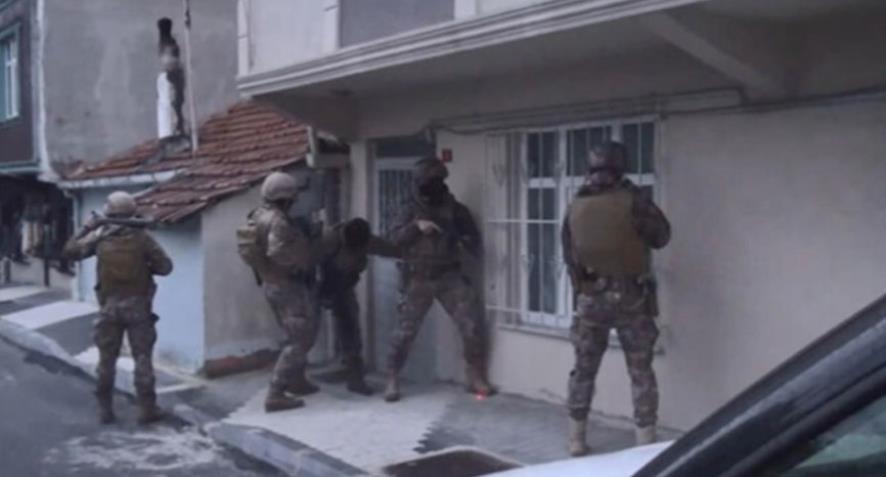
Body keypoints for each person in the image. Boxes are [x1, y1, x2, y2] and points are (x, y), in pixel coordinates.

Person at [561, 141, 671, 456]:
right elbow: (661, 236)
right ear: (621, 166)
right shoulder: (634, 201)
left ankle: (576, 439)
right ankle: (645, 443)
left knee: (583, 370)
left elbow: (568, 254)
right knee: (640, 372)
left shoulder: (575, 205)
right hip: (631, 300)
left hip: (590, 301)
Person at [384, 157, 495, 402]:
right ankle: (392, 377)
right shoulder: (408, 208)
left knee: (471, 325)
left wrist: (462, 240)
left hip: (448, 275)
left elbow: (473, 241)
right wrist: (416, 227)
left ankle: (475, 375)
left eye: (436, 181)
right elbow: (392, 239)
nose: (432, 186)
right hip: (418, 277)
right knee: (404, 332)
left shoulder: (456, 209)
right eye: (427, 181)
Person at [63, 191, 172, 425]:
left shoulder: (100, 238)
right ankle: (147, 409)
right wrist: (146, 266)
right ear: (132, 212)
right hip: (139, 309)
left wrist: (87, 227)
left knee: (106, 361)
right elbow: (165, 267)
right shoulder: (143, 239)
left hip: (109, 309)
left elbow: (70, 251)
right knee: (142, 359)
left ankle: (105, 410)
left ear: (108, 212)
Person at [239, 171, 320, 413]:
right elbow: (276, 251)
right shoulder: (277, 221)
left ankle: (296, 380)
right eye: (292, 198)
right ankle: (275, 394)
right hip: (287, 286)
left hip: (272, 284)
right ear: (285, 198)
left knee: (294, 333)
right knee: (300, 338)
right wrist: (298, 267)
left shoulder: (257, 216)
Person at [317, 218, 399, 395]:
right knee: (303, 333)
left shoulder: (366, 240)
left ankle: (355, 377)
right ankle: (292, 377)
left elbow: (391, 249)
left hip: (343, 287)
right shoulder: (327, 239)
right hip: (316, 286)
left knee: (351, 331)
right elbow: (306, 263)